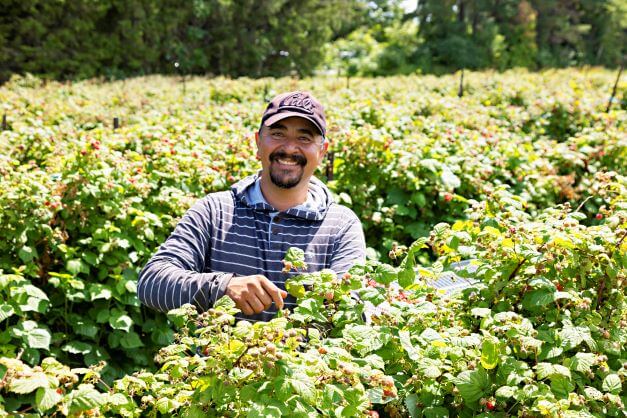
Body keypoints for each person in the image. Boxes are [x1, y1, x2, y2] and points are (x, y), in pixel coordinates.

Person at [137, 91, 366, 321]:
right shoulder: (215, 211)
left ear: (322, 151)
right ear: (258, 143)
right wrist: (222, 288)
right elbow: (151, 283)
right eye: (277, 134)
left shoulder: (341, 226)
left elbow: (351, 312)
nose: (289, 148)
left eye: (304, 138)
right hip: (220, 356)